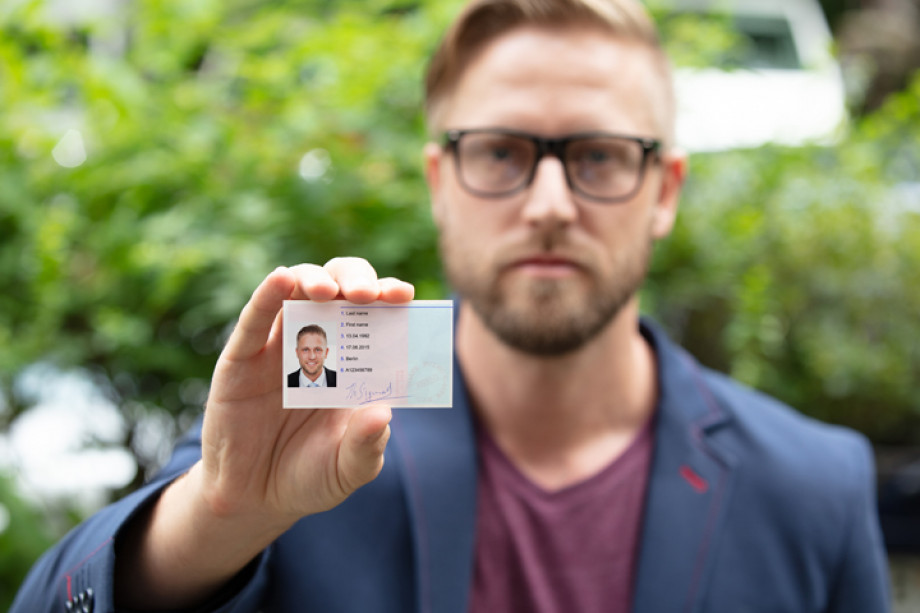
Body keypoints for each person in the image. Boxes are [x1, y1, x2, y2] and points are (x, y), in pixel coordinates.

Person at [13, 0, 890, 611]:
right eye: (503, 153)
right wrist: (219, 515)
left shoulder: (816, 484)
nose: (549, 202)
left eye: (599, 156)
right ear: (441, 182)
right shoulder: (324, 414)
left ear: (664, 189)